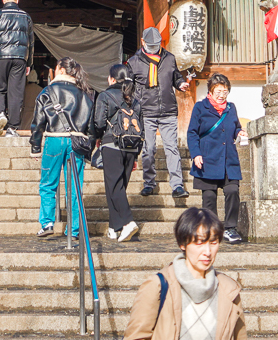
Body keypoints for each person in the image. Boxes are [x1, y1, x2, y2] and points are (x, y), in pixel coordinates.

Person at [109, 207, 253, 340]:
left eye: (214, 242)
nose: (208, 251)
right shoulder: (159, 286)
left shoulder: (229, 293)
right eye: (200, 242)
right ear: (183, 243)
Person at [29, 57, 95, 239]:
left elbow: (38, 122)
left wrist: (35, 147)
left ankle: (47, 223)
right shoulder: (85, 93)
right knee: (74, 187)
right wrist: (88, 150)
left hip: (54, 140)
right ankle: (73, 230)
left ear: (59, 69)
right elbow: (91, 126)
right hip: (77, 142)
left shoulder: (47, 91)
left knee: (48, 183)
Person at [127, 27, 190, 198]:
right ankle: (149, 182)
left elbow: (176, 76)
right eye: (150, 45)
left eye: (156, 45)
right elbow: (128, 88)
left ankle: (177, 186)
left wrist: (181, 83)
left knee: (172, 148)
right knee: (148, 149)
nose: (154, 48)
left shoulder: (169, 58)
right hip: (145, 111)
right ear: (143, 42)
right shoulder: (134, 62)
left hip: (167, 109)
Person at [187, 73, 245, 245]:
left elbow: (235, 127)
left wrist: (239, 133)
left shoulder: (231, 108)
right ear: (211, 91)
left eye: (225, 91)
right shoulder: (200, 107)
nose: (222, 95)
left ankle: (230, 228)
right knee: (210, 197)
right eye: (218, 91)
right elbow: (192, 133)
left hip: (228, 159)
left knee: (232, 191)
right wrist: (196, 153)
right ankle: (211, 229)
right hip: (208, 158)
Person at [94, 63, 144, 242]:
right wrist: (137, 154)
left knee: (114, 187)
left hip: (112, 144)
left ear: (112, 79)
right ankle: (114, 227)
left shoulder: (105, 96)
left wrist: (96, 139)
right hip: (131, 147)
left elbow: (99, 122)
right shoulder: (135, 99)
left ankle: (128, 222)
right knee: (118, 187)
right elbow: (141, 127)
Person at [0, 0, 33, 137]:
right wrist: (29, 62)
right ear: (17, 1)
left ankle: (0, 113)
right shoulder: (26, 16)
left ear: (4, 0)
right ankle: (12, 128)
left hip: (0, 57)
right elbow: (31, 42)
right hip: (19, 58)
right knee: (16, 93)